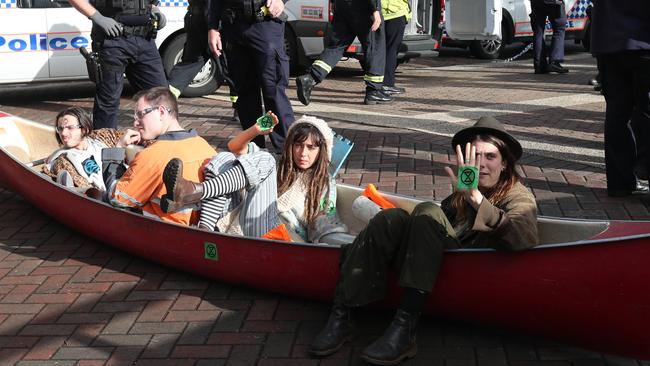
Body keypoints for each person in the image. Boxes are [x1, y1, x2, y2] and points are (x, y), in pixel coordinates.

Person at [309, 116, 539, 365]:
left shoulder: (518, 195)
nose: (481, 164)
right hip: (432, 262)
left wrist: (477, 201)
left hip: (464, 266)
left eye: (490, 157)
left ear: (505, 163)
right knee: (390, 218)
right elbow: (439, 229)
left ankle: (405, 327)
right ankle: (342, 313)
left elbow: (522, 238)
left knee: (427, 210)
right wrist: (462, 198)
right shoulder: (464, 190)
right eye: (475, 156)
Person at [161, 115, 352, 244]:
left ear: (321, 151)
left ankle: (194, 192)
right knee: (225, 159)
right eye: (298, 145)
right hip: (247, 222)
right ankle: (205, 230)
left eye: (311, 148)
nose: (303, 153)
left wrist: (352, 244)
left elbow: (326, 226)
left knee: (265, 159)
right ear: (290, 146)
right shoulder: (279, 166)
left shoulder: (323, 184)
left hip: (280, 239)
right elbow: (234, 147)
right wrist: (255, 130)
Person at [101, 87, 217, 226]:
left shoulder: (152, 155)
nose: (135, 123)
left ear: (161, 112)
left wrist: (117, 150)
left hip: (161, 231)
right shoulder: (204, 146)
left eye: (140, 114)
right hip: (199, 228)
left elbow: (117, 198)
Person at [207, 0, 295, 151]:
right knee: (245, 91)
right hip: (233, 26)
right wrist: (212, 27)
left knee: (272, 89)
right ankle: (255, 147)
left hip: (265, 25)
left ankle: (286, 148)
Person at [68, 0, 168, 129]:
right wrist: (97, 17)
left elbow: (150, 3)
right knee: (108, 101)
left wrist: (155, 12)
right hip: (112, 41)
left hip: (145, 40)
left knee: (160, 96)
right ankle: (104, 145)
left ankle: (161, 143)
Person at [590, 0, 649, 197]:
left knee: (617, 115)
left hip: (609, 42)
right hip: (642, 40)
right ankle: (644, 167)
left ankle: (620, 182)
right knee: (645, 112)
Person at [295, 0, 393, 105]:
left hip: (342, 5)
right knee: (375, 46)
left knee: (337, 46)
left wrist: (333, 2)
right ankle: (374, 91)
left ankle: (310, 78)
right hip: (364, 6)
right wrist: (376, 9)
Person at [166, 0, 239, 121]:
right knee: (232, 65)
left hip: (195, 17)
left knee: (191, 63)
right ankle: (241, 109)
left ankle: (165, 101)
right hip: (213, 22)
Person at [43, 107, 130, 189]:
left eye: (70, 128)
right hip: (108, 196)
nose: (63, 133)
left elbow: (123, 134)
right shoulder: (63, 161)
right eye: (60, 129)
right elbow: (88, 191)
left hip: (127, 183)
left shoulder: (101, 137)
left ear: (85, 129)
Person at [530, 0, 569, 74]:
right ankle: (555, 61)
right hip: (554, 2)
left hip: (536, 2)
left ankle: (539, 65)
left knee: (538, 31)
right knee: (559, 28)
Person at [380, 0, 410, 96]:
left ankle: (374, 85)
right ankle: (387, 84)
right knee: (391, 50)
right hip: (395, 12)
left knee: (378, 51)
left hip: (379, 13)